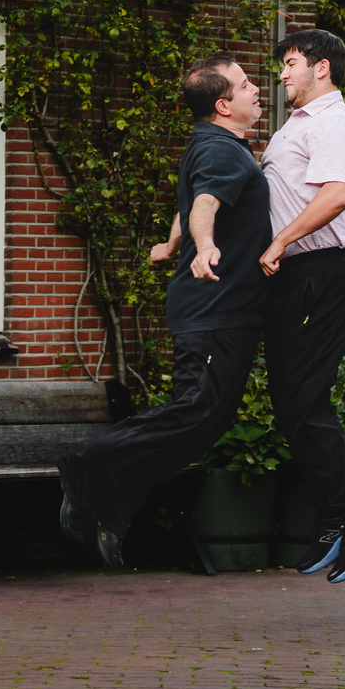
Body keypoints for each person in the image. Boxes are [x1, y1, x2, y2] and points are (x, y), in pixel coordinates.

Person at [58, 54, 271, 567]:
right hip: (215, 306)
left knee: (205, 424)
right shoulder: (221, 149)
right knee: (196, 410)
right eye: (245, 85)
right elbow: (206, 205)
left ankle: (109, 512)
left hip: (225, 307)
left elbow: (192, 201)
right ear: (223, 105)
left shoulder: (212, 144)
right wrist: (204, 244)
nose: (256, 89)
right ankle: (85, 470)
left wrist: (174, 242)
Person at [258, 28, 345, 582]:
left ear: (321, 68)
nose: (282, 72)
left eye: (290, 62)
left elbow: (337, 194)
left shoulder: (336, 121)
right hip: (291, 277)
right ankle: (339, 514)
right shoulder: (295, 125)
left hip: (321, 273)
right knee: (293, 406)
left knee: (304, 400)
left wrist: (280, 241)